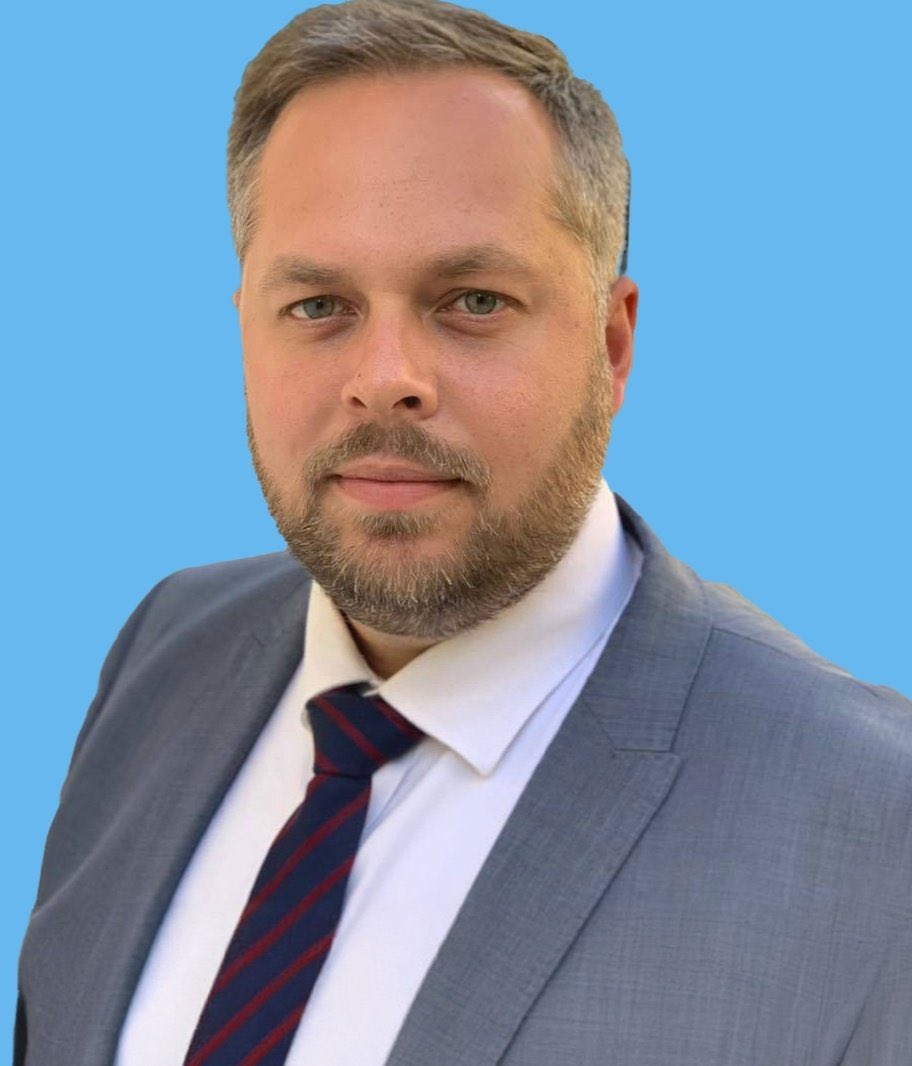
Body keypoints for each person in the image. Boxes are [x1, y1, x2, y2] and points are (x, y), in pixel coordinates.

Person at [16, 0, 912, 1062]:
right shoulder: (165, 651)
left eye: (474, 301)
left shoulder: (873, 819)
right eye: (319, 305)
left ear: (613, 344)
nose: (385, 379)